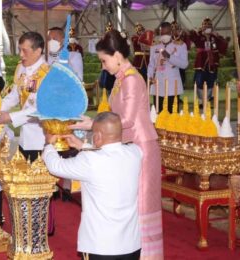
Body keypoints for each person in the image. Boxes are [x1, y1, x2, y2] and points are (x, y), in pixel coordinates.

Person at [71, 30, 163, 259]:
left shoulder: (131, 79)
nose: (103, 66)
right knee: (125, 201)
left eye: (104, 60)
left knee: (140, 204)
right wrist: (92, 125)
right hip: (126, 144)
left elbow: (129, 120)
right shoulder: (121, 79)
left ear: (118, 55)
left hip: (140, 146)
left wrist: (94, 124)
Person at [43, 112, 142, 260]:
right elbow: (108, 156)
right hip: (131, 244)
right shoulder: (135, 152)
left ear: (98, 136)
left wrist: (48, 145)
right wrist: (83, 146)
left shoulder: (89, 160)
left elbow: (56, 166)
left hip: (100, 246)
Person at [0, 32, 56, 235]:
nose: (21, 54)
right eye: (20, 49)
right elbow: (14, 95)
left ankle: (44, 226)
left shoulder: (46, 73)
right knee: (26, 182)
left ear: (38, 50)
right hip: (26, 137)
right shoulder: (22, 69)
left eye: (24, 50)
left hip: (42, 136)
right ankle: (27, 220)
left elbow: (37, 109)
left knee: (41, 184)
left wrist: (8, 118)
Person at [148, 22, 188, 113]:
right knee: (158, 114)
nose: (164, 36)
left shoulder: (180, 45)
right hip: (158, 85)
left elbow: (184, 64)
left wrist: (169, 57)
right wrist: (150, 77)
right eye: (162, 33)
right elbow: (151, 65)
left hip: (172, 86)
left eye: (167, 33)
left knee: (172, 115)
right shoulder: (155, 46)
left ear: (171, 32)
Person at [189, 18, 228, 103]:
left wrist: (219, 37)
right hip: (201, 63)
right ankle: (200, 100)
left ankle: (208, 99)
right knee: (199, 82)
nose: (207, 26)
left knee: (211, 81)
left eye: (209, 25)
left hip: (212, 63)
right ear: (202, 26)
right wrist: (197, 32)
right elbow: (191, 36)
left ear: (212, 27)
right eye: (205, 25)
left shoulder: (215, 37)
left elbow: (224, 45)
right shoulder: (198, 36)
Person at [171, 21, 191, 86]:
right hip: (169, 64)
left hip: (180, 64)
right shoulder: (168, 39)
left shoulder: (183, 39)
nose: (174, 30)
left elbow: (187, 48)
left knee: (180, 80)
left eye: (176, 28)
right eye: (172, 28)